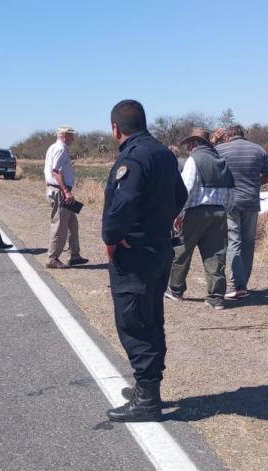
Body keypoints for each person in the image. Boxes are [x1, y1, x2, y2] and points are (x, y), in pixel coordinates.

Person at [102, 100, 187, 422]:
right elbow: (180, 196)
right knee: (150, 318)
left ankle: (148, 398)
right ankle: (146, 387)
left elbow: (121, 206)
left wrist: (112, 238)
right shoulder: (163, 153)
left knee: (135, 322)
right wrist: (158, 223)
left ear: (116, 128)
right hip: (160, 249)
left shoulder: (133, 157)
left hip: (135, 254)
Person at [165, 127, 234, 310]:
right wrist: (224, 211)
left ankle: (176, 290)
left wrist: (178, 214)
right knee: (216, 255)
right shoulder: (222, 160)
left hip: (195, 212)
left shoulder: (194, 160)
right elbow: (231, 191)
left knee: (182, 251)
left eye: (189, 145)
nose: (188, 149)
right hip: (219, 213)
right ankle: (216, 297)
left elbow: (186, 189)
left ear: (195, 144)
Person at [216, 124, 268, 300]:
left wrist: (214, 141)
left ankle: (237, 285)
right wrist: (256, 184)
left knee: (234, 241)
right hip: (251, 201)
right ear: (243, 134)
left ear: (228, 136)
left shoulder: (221, 149)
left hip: (230, 201)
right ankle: (244, 283)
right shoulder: (258, 149)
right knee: (249, 242)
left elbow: (209, 164)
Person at [44, 125, 88, 269]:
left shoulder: (54, 147)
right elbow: (56, 171)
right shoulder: (60, 149)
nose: (73, 138)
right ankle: (52, 258)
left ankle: (74, 255)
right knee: (59, 226)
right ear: (63, 135)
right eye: (71, 135)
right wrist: (66, 191)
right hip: (60, 192)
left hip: (61, 190)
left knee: (72, 225)